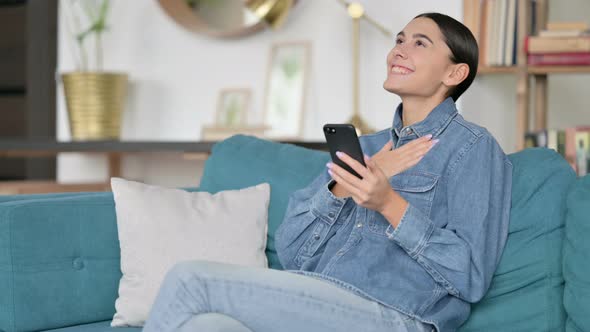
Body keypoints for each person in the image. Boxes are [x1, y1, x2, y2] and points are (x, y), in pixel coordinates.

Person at [143, 12, 512, 332]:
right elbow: (292, 252)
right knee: (207, 326)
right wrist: (341, 188)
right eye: (399, 39)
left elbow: (470, 276)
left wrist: (388, 203)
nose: (398, 49)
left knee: (189, 279)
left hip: (396, 315)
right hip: (322, 301)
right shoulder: (365, 148)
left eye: (420, 43)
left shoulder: (472, 148)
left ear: (455, 72)